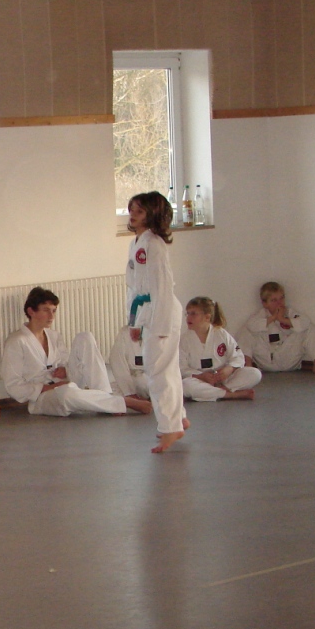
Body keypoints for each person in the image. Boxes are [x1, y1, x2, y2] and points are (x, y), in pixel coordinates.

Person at [1, 287, 152, 418]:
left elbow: (66, 361)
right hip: (43, 396)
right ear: (31, 311)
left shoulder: (54, 336)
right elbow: (13, 386)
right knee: (67, 394)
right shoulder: (16, 341)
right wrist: (48, 387)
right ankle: (122, 402)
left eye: (54, 311)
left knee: (85, 337)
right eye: (46, 310)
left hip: (66, 382)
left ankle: (105, 395)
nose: (51, 316)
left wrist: (65, 370)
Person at [125, 191, 188, 453]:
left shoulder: (154, 244)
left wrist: (160, 326)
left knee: (157, 371)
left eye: (139, 211)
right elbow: (133, 287)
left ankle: (170, 427)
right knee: (166, 369)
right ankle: (178, 417)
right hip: (147, 310)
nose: (132, 215)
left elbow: (161, 286)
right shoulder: (137, 242)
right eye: (131, 210)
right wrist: (133, 322)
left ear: (153, 215)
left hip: (162, 310)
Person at [235, 281, 315, 374]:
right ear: (265, 303)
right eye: (274, 300)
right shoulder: (260, 315)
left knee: (309, 327)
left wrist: (282, 319)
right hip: (267, 359)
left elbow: (304, 322)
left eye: (281, 298)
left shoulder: (290, 312)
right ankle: (247, 365)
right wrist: (273, 318)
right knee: (246, 330)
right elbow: (252, 325)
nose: (279, 303)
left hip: (289, 357)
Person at [180, 296, 262, 401]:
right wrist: (201, 376)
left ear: (207, 317)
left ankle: (221, 390)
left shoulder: (221, 334)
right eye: (187, 313)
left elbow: (238, 356)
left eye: (193, 314)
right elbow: (181, 368)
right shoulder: (184, 340)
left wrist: (229, 369)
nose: (188, 317)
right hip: (200, 380)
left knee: (255, 373)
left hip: (224, 379)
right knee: (185, 385)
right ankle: (230, 394)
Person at [108, 325, 150, 400]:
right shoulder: (125, 333)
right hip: (133, 379)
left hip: (153, 379)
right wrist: (129, 392)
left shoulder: (160, 333)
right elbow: (117, 362)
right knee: (112, 394)